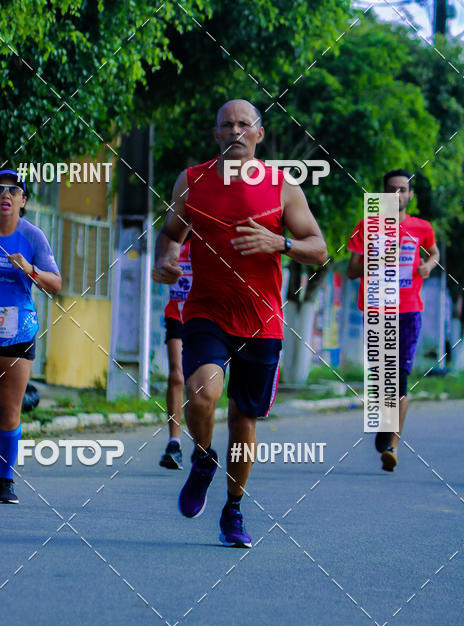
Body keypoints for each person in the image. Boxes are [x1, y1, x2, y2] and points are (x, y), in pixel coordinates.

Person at [153, 99, 327, 547]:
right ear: (216, 134)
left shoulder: (282, 187)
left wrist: (278, 241)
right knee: (201, 391)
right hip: (206, 311)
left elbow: (319, 249)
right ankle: (202, 459)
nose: (235, 131)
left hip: (261, 321)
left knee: (244, 421)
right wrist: (166, 259)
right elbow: (171, 233)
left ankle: (233, 509)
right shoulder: (192, 181)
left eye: (243, 124)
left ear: (259, 134)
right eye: (226, 124)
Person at [0, 170, 62, 502]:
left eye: (14, 190)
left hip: (18, 332)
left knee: (9, 410)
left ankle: (5, 479)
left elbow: (55, 285)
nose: (6, 194)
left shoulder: (33, 237)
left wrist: (31, 270)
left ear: (23, 201)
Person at [347, 169, 439, 472]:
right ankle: (386, 425)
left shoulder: (422, 228)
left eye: (403, 190)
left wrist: (427, 265)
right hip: (377, 309)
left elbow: (434, 252)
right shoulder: (368, 226)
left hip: (410, 309)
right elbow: (351, 270)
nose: (397, 195)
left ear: (410, 195)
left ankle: (391, 445)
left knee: (399, 375)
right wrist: (375, 259)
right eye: (391, 189)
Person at [158, 236, 192, 470]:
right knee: (177, 375)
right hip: (176, 315)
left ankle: (202, 445)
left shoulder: (207, 240)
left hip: (203, 317)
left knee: (198, 385)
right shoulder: (171, 241)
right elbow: (157, 273)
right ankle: (174, 443)